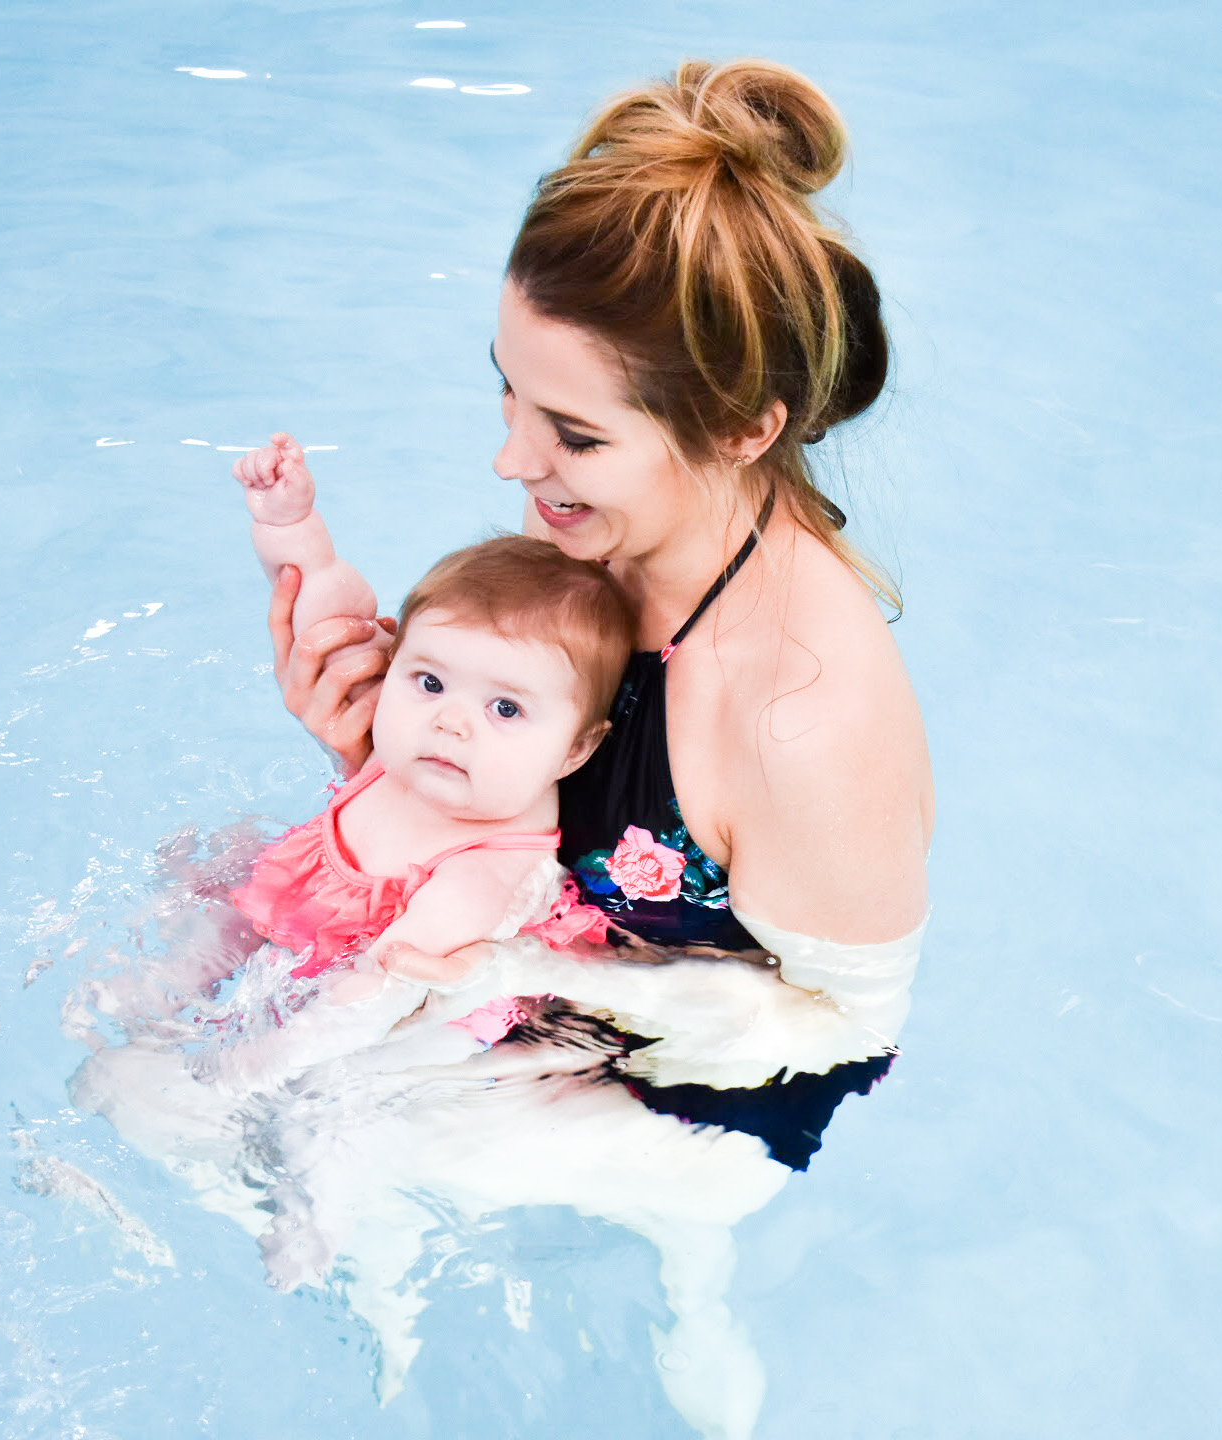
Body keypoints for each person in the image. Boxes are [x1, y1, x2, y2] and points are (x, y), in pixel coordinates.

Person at [265, 59, 933, 1171]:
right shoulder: (598, 543)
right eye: (508, 391)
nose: (511, 459)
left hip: (695, 1103)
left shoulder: (799, 716)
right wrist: (378, 748)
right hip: (517, 984)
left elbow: (846, 1033)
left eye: (573, 436)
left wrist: (534, 980)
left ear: (740, 432)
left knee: (313, 1145)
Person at [223, 431, 633, 1047]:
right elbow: (326, 604)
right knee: (212, 871)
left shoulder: (486, 874)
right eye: (431, 682)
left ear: (576, 748)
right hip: (306, 916)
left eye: (505, 707)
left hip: (378, 1008)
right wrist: (291, 520)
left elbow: (365, 1000)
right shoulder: (408, 748)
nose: (450, 721)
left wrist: (237, 1076)